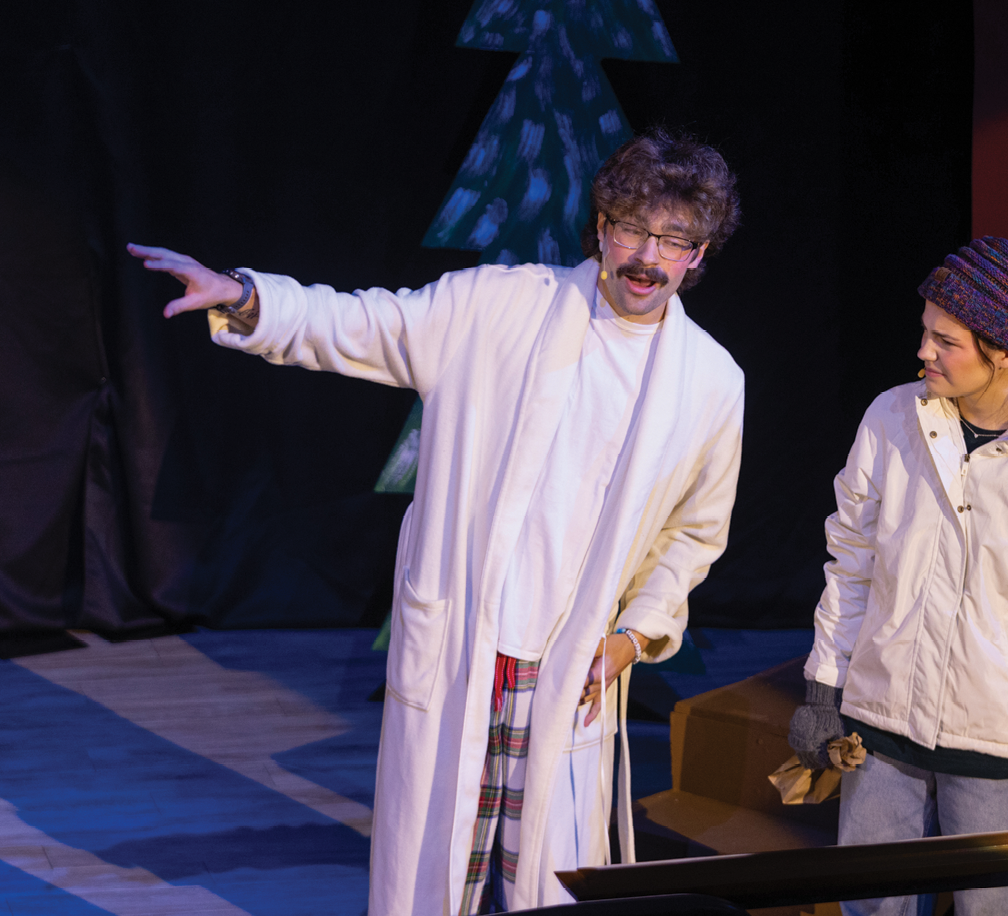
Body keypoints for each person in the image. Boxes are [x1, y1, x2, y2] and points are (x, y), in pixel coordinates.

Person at [129, 128, 744, 914]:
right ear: (601, 226)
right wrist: (249, 297)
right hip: (462, 652)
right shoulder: (498, 306)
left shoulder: (711, 383)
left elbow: (694, 536)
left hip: (570, 674)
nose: (647, 257)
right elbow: (367, 324)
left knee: (550, 889)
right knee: (432, 883)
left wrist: (633, 635)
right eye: (631, 228)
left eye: (674, 239)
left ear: (698, 254)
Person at [789, 237, 1008, 916]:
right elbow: (850, 565)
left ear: (1005, 352)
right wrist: (824, 688)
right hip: (879, 729)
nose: (923, 351)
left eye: (945, 341)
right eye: (925, 331)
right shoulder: (891, 418)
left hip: (995, 748)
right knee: (870, 906)